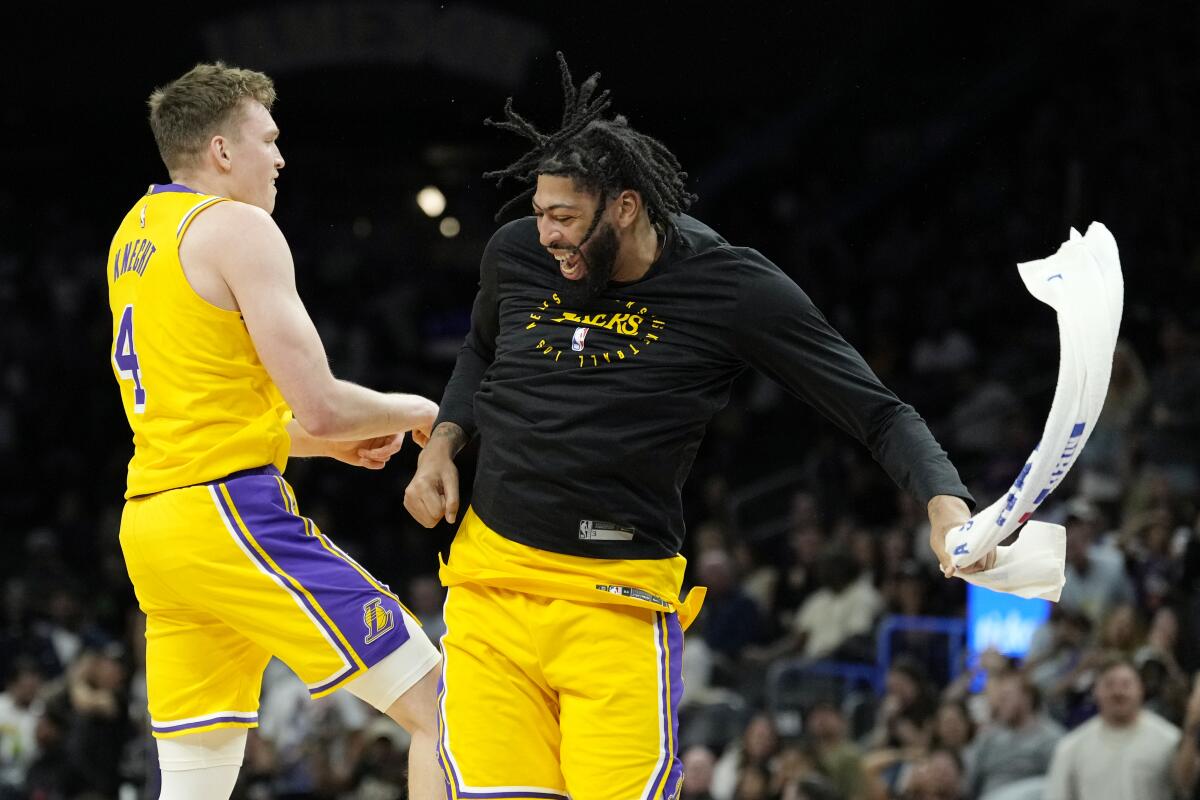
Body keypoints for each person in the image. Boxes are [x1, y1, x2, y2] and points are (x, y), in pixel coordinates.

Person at [404, 52, 978, 800]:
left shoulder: (730, 286)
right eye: (540, 213)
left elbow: (877, 410)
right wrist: (445, 442)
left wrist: (945, 504)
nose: (543, 235)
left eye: (564, 218)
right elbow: (481, 350)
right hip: (488, 591)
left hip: (613, 604)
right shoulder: (516, 253)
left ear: (627, 207)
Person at [107, 62, 443, 799]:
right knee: (444, 713)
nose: (281, 158)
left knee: (194, 784)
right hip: (225, 514)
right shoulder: (237, 226)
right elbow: (319, 403)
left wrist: (324, 445)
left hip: (155, 528)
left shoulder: (133, 235)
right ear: (223, 151)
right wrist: (421, 411)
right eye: (269, 139)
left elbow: (212, 412)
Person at [1044, 655, 1181, 800]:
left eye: (1126, 684)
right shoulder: (1071, 747)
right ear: (1095, 691)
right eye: (1109, 685)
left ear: (1141, 689)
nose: (1118, 692)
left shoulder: (1170, 740)